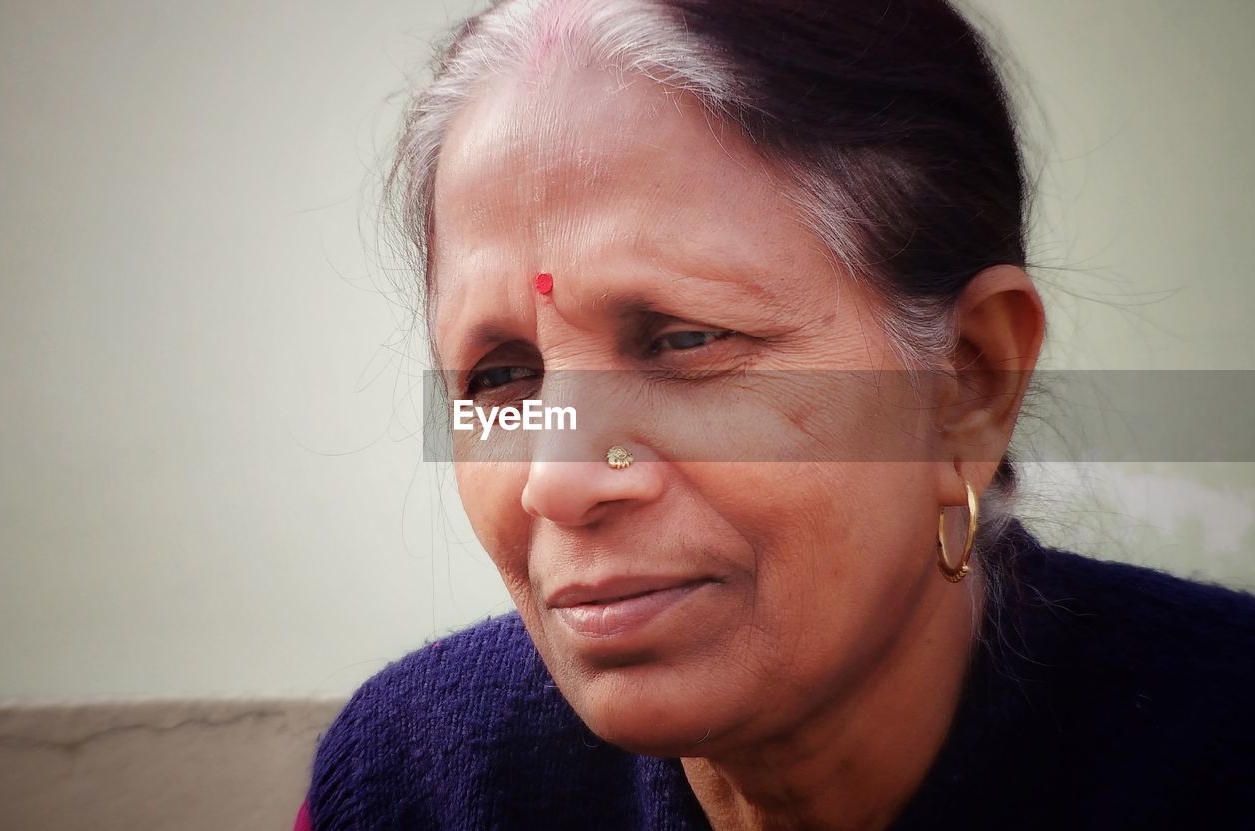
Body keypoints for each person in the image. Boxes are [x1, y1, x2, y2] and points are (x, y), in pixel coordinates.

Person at [296, 0, 1255, 828]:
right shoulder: (413, 788)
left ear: (969, 385)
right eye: (502, 376)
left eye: (681, 340)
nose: (558, 477)